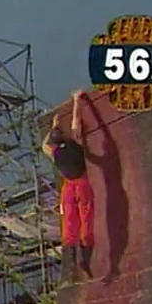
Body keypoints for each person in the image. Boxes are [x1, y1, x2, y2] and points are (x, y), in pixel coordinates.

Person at [42, 90, 94, 284]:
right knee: (86, 219)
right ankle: (85, 259)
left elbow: (44, 144)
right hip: (81, 182)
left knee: (69, 223)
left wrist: (53, 125)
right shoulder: (75, 142)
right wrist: (77, 100)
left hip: (68, 186)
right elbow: (76, 123)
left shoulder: (53, 152)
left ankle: (71, 260)